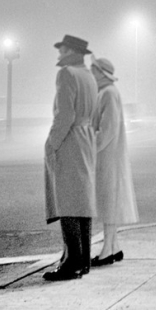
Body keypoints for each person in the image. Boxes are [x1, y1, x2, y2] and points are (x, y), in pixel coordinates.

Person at [43, 34, 98, 281]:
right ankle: (83, 260)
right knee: (83, 200)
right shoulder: (89, 76)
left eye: (62, 50)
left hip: (71, 139)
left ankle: (71, 262)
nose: (59, 54)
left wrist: (51, 143)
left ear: (71, 52)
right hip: (86, 139)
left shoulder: (66, 74)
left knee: (67, 201)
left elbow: (65, 114)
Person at [89, 56, 139, 266]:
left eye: (93, 70)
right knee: (110, 201)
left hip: (107, 156)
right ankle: (114, 245)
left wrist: (91, 147)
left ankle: (107, 249)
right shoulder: (107, 92)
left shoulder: (108, 93)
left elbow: (107, 129)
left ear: (100, 72)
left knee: (109, 202)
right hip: (109, 155)